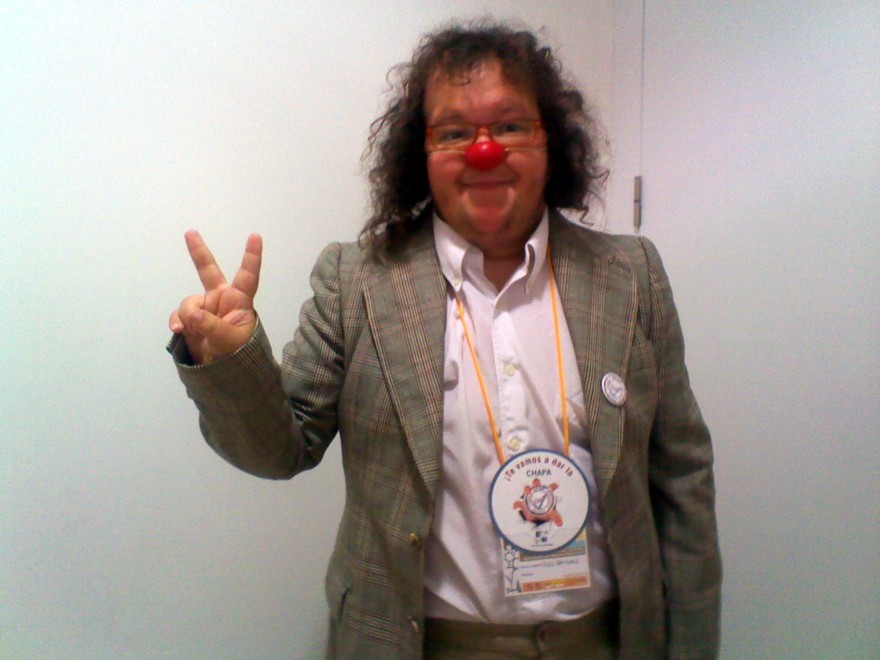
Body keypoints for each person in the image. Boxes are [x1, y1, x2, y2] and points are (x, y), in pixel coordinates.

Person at [168, 21, 721, 659]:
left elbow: (682, 477)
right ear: (420, 153)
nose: (484, 151)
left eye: (509, 125)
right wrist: (232, 360)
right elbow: (280, 450)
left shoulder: (631, 276)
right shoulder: (356, 281)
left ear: (550, 140)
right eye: (454, 133)